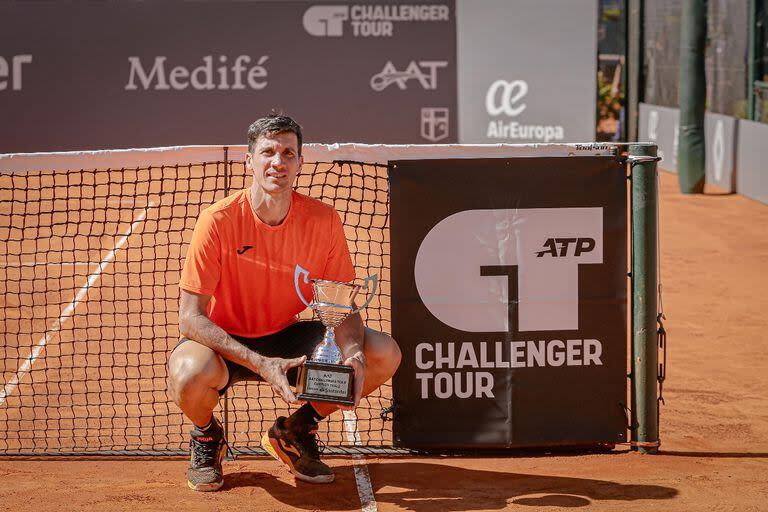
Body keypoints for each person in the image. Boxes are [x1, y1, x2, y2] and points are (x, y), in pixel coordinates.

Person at [166, 114, 401, 491]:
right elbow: (190, 319)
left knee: (381, 353)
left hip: (286, 334)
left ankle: (294, 431)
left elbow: (339, 305)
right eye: (268, 152)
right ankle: (207, 437)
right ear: (249, 161)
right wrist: (260, 363)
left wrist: (354, 352)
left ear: (300, 163)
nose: (278, 161)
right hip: (223, 340)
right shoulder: (217, 221)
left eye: (288, 153)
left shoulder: (323, 220)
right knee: (187, 373)